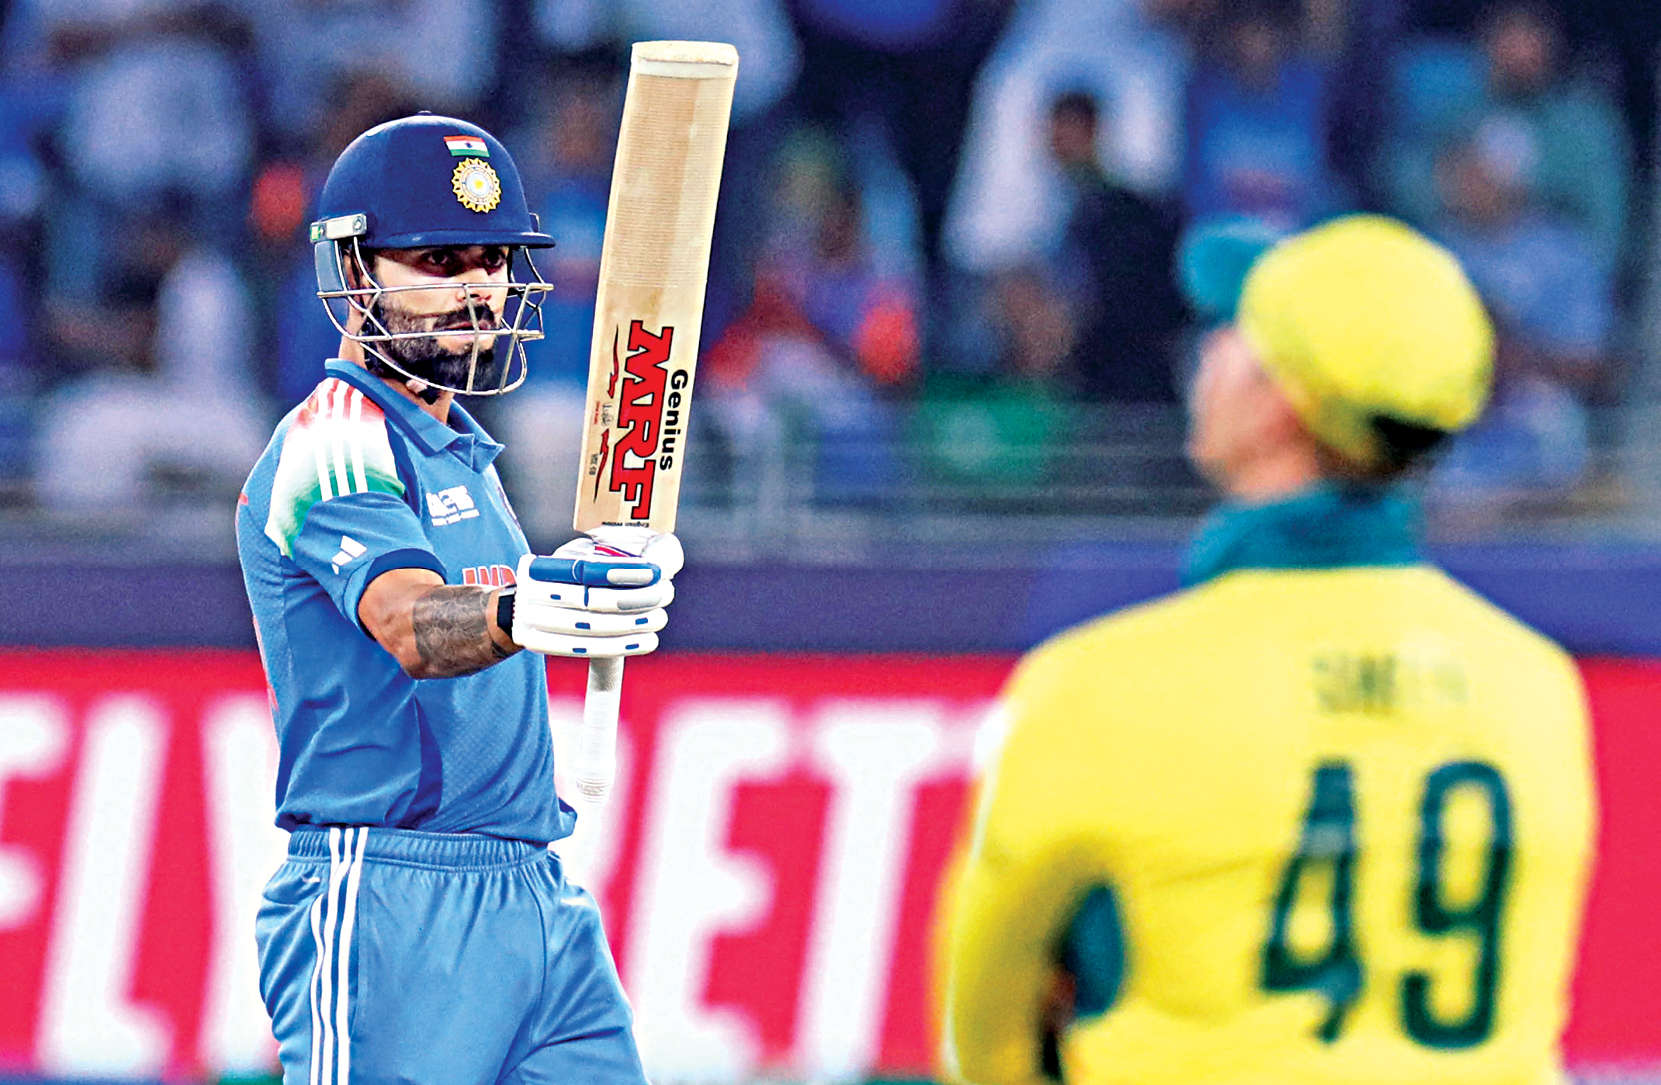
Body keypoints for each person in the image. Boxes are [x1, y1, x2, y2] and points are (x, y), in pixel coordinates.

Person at [936, 215, 1596, 1085]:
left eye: (1230, 332)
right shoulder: (1538, 687)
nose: (1204, 353)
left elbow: (980, 1034)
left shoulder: (1100, 686)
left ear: (1277, 401)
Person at [235, 114, 677, 1084]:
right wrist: (527, 609)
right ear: (355, 272)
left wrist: (587, 579)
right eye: (438, 260)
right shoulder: (332, 439)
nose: (478, 286)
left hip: (535, 894)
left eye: (492, 259)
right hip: (388, 895)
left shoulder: (462, 451)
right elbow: (407, 620)